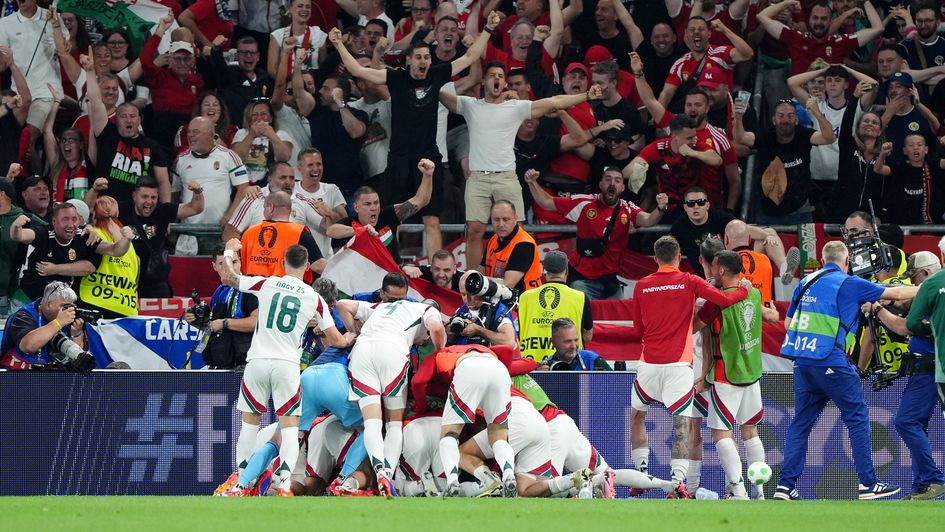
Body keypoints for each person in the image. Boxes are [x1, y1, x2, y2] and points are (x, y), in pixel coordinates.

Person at [327, 11, 500, 261]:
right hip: (398, 159)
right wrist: (339, 44)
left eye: (427, 57)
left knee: (432, 219)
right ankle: (390, 265)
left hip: (428, 159)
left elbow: (472, 56)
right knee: (392, 219)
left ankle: (435, 270)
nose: (423, 61)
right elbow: (358, 70)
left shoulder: (438, 74)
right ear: (408, 60)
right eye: (418, 57)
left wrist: (488, 30)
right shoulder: (396, 77)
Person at [775, 240, 919, 501]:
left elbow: (788, 323)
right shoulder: (850, 283)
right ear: (848, 262)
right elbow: (896, 295)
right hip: (832, 360)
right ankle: (868, 484)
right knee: (857, 418)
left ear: (821, 261)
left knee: (801, 424)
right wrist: (926, 288)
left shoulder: (805, 283)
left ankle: (785, 486)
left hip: (803, 363)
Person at [438, 64, 606, 273]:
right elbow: (442, 96)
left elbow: (553, 102)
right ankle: (473, 282)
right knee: (474, 230)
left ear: (504, 83)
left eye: (500, 75)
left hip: (507, 177)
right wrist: (426, 77)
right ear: (484, 83)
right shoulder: (471, 105)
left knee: (517, 233)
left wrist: (586, 95)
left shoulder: (516, 107)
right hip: (478, 178)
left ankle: (517, 281)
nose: (496, 78)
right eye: (491, 75)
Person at [218, 241, 351, 497]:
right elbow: (335, 339)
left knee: (249, 425)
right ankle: (284, 484)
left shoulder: (267, 283)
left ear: (282, 263)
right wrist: (348, 339)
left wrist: (229, 252)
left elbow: (230, 278)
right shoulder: (314, 298)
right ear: (308, 267)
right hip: (286, 366)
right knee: (290, 427)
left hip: (257, 362)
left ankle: (241, 482)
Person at [627, 235, 749, 497]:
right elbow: (723, 301)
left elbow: (637, 330)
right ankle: (678, 482)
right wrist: (744, 290)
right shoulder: (689, 281)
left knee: (638, 415)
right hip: (679, 367)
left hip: (648, 364)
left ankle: (641, 473)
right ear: (680, 254)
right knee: (681, 423)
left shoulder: (641, 286)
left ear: (655, 257)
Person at [335, 298, 446, 497]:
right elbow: (437, 327)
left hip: (362, 351)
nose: (424, 341)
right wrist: (441, 353)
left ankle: (378, 471)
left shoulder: (380, 307)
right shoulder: (428, 309)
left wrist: (356, 331)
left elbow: (342, 304)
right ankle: (386, 473)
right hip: (393, 351)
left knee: (372, 423)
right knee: (394, 423)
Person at [693, 250, 779, 500]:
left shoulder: (715, 302)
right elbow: (769, 317)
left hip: (725, 373)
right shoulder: (753, 292)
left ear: (720, 270)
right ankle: (760, 491)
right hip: (751, 373)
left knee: (721, 433)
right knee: (750, 431)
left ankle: (738, 490)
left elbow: (695, 327)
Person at [863, 251, 945, 501]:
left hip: (930, 369)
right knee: (912, 422)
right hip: (927, 369)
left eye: (916, 277)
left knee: (907, 421)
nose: (914, 284)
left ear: (928, 273)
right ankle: (923, 484)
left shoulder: (934, 287)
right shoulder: (934, 292)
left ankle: (932, 480)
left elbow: (904, 326)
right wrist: (895, 305)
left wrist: (877, 309)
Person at [526, 166, 668, 300]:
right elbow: (546, 202)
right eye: (608, 179)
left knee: (614, 324)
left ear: (623, 187)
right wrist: (532, 182)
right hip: (582, 280)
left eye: (617, 180)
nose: (612, 183)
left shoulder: (627, 208)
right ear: (600, 184)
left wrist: (661, 208)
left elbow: (649, 220)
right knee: (582, 322)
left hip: (611, 281)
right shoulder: (584, 203)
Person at [411, 343, 518, 497]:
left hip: (468, 368)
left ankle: (452, 482)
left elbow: (418, 382)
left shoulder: (437, 355)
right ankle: (509, 475)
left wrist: (421, 408)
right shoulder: (483, 349)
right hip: (500, 370)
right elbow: (508, 349)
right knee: (498, 436)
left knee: (449, 435)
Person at [85, 52, 171, 203]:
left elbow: (163, 182)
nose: (128, 119)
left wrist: (165, 212)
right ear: (116, 120)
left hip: (139, 214)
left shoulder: (152, 146)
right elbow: (96, 102)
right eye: (123, 116)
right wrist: (90, 71)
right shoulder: (107, 134)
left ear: (139, 120)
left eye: (132, 116)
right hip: (107, 211)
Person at [9, 202, 132, 307]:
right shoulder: (45, 233)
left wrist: (127, 239)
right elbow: (19, 236)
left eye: (74, 219)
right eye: (65, 219)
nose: (70, 224)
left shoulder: (84, 236)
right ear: (54, 221)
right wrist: (16, 226)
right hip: (26, 298)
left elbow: (115, 250)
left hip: (57, 301)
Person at [327, 159, 434, 264]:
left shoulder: (388, 215)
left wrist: (427, 176)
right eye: (368, 204)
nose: (373, 208)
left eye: (376, 203)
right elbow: (331, 231)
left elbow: (421, 200)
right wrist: (361, 230)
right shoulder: (350, 223)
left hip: (393, 276)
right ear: (356, 208)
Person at [752, 98, 836, 225]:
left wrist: (817, 113)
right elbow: (741, 138)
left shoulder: (804, 134)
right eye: (781, 116)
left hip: (800, 211)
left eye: (790, 116)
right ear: (774, 120)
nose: (785, 120)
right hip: (767, 212)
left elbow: (830, 138)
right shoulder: (764, 135)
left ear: (796, 120)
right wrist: (738, 116)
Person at [173, 116, 249, 255]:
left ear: (210, 134)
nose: (190, 135)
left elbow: (244, 188)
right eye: (189, 132)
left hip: (218, 231)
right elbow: (174, 195)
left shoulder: (229, 156)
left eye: (195, 132)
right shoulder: (180, 160)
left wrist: (229, 216)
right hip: (188, 233)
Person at [625, 115, 723, 221]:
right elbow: (627, 171)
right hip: (668, 205)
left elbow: (717, 160)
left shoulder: (696, 145)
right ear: (675, 136)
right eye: (689, 138)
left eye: (694, 136)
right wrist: (640, 169)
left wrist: (693, 153)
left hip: (694, 203)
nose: (693, 140)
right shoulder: (659, 148)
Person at [223, 161, 327, 255]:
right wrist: (244, 256)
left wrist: (330, 214)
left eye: (291, 178)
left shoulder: (303, 201)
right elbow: (230, 231)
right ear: (270, 179)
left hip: (291, 265)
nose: (288, 182)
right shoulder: (253, 198)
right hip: (259, 262)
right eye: (283, 177)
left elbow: (328, 226)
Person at [756, 0, 884, 75]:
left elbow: (878, 28)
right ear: (808, 19)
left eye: (824, 19)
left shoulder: (841, 42)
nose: (819, 23)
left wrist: (865, 1)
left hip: (830, 106)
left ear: (830, 21)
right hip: (801, 105)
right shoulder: (796, 38)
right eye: (815, 18)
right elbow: (762, 17)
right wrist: (787, 2)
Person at [185, 245, 258, 370]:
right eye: (222, 264)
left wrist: (225, 323)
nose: (229, 268)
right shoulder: (219, 291)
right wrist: (197, 321)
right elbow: (215, 326)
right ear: (214, 267)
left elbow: (256, 322)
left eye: (234, 262)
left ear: (240, 262)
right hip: (221, 362)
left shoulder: (249, 287)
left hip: (245, 366)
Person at [517, 250, 593, 362]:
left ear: (544, 272)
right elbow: (587, 336)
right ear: (566, 271)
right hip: (568, 365)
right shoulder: (580, 297)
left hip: (531, 366)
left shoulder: (524, 297)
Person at [0, 281, 94, 372]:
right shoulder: (24, 315)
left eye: (71, 305)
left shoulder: (70, 317)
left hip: (53, 376)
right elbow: (27, 346)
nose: (68, 310)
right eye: (64, 306)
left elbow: (78, 358)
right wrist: (58, 322)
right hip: (18, 374)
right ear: (48, 304)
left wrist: (77, 333)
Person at [239, 191, 325, 279]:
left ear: (271, 207)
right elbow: (319, 266)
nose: (263, 211)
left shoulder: (249, 232)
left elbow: (239, 266)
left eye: (264, 207)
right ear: (290, 210)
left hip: (251, 290)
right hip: (284, 291)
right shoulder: (300, 233)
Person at [77, 196, 139, 318]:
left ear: (94, 213)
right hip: (127, 309)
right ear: (118, 213)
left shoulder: (92, 235)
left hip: (95, 303)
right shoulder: (129, 243)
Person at [874, 134, 945, 225]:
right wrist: (883, 153)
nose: (915, 148)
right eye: (911, 145)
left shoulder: (934, 164)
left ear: (926, 149)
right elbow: (878, 169)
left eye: (919, 145)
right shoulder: (900, 168)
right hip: (904, 224)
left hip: (931, 225)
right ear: (904, 151)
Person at [725, 219, 799, 300]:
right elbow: (744, 229)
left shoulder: (721, 220)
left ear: (726, 239)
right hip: (731, 265)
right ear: (749, 238)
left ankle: (784, 268)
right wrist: (769, 235)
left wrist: (768, 235)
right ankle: (783, 267)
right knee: (769, 232)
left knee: (768, 233)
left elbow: (743, 229)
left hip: (736, 263)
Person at [669, 187, 735, 278]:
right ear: (685, 207)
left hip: (728, 274)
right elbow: (670, 256)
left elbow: (743, 229)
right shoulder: (679, 227)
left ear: (707, 205)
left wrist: (762, 234)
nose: (696, 206)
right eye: (690, 204)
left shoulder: (723, 218)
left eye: (701, 202)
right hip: (701, 277)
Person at [206, 36, 274, 124]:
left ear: (258, 56)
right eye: (244, 52)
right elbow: (219, 66)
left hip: (261, 131)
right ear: (237, 56)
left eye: (252, 52)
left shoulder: (266, 80)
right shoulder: (228, 75)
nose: (248, 56)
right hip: (233, 133)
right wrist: (216, 49)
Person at [482, 200, 541, 294]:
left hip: (524, 301)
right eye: (496, 219)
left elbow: (508, 284)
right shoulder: (493, 240)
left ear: (515, 219)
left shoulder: (524, 244)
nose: (501, 224)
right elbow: (481, 269)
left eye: (506, 219)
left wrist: (480, 280)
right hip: (499, 297)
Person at [447, 270, 517, 348]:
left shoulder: (497, 309)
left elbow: (509, 341)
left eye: (471, 294)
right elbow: (449, 341)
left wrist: (479, 330)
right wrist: (450, 334)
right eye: (463, 294)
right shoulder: (462, 310)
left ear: (482, 291)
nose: (467, 299)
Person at [537, 318, 611, 371]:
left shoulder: (592, 360)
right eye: (567, 341)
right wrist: (540, 378)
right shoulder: (546, 369)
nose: (573, 346)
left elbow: (616, 388)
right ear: (553, 342)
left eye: (576, 340)